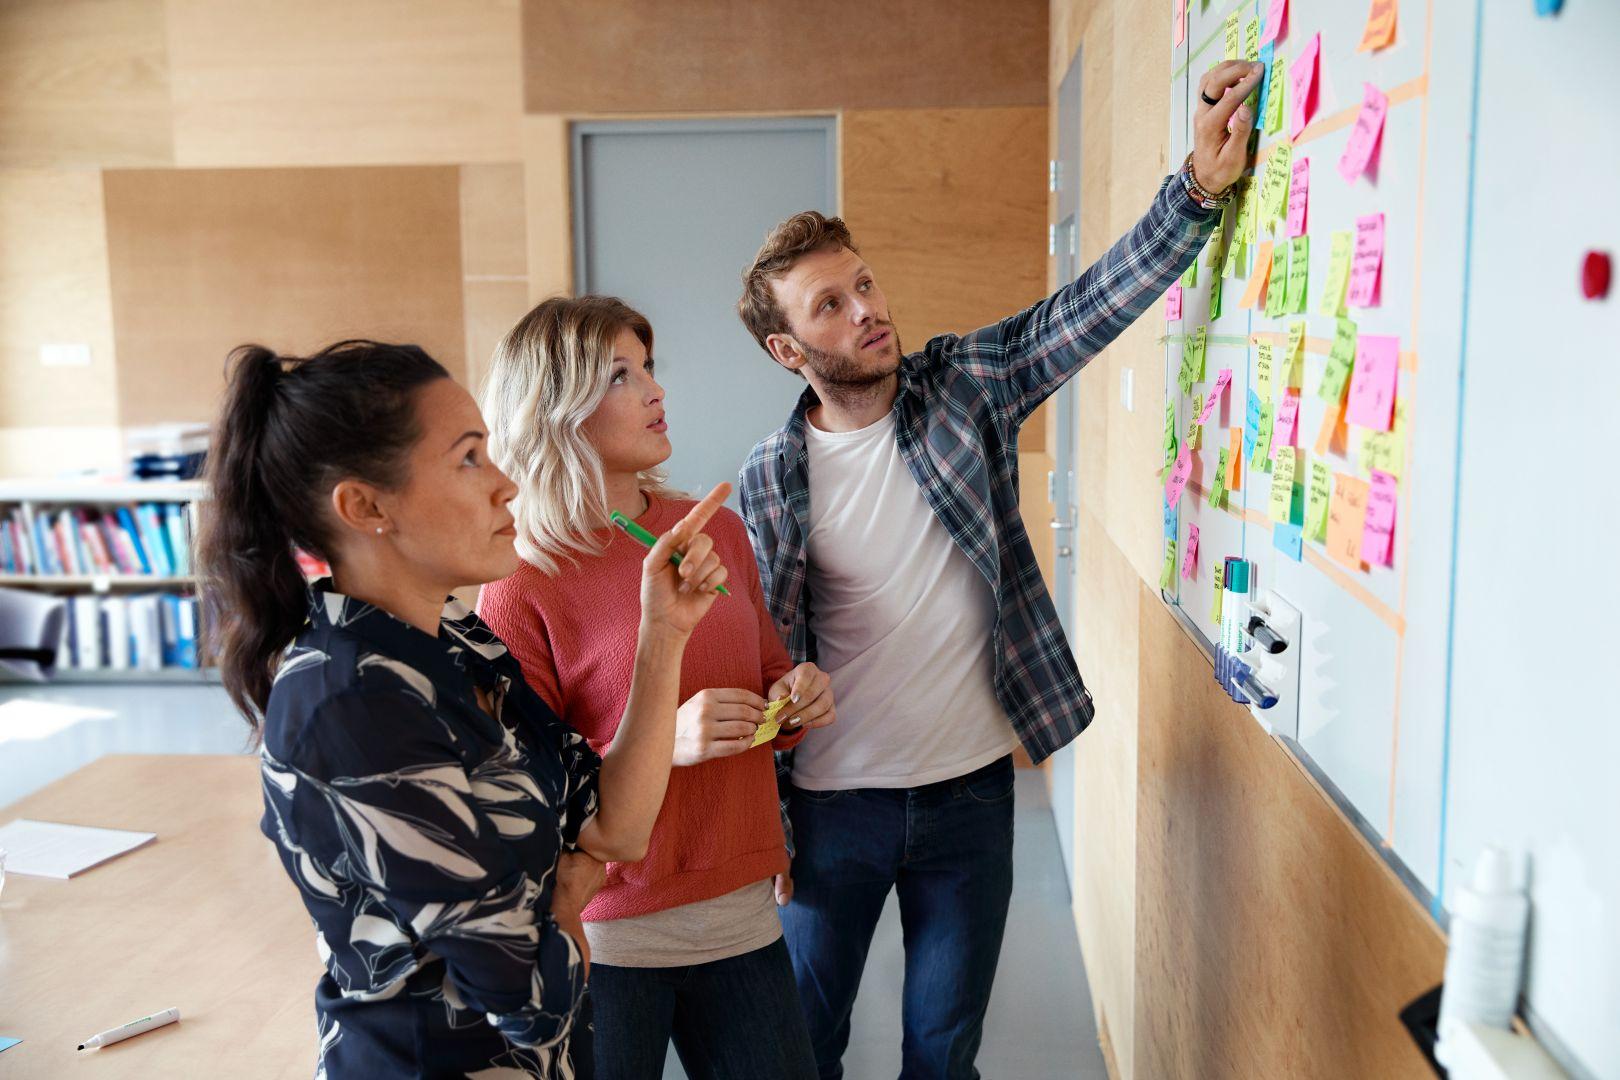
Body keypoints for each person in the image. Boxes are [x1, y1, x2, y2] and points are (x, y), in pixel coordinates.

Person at [733, 60, 1266, 1080]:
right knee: (801, 1047)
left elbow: (1085, 310)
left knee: (944, 1054)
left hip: (970, 795)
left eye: (864, 284)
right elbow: (761, 656)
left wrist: (1196, 188)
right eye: (830, 305)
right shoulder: (770, 477)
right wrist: (760, 819)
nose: (866, 311)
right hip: (834, 806)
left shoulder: (965, 387)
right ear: (786, 350)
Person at [198, 338, 734, 1078]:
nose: (506, 485)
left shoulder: (456, 636)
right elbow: (531, 997)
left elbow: (616, 825)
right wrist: (566, 896)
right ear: (365, 506)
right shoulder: (351, 703)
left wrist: (663, 633)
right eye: (469, 459)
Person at [476, 296, 830, 1080]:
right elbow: (526, 791)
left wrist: (796, 699)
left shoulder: (713, 531)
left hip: (742, 913)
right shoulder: (519, 584)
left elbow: (766, 671)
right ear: (554, 408)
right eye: (619, 376)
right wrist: (669, 738)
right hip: (607, 941)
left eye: (648, 368)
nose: (655, 390)